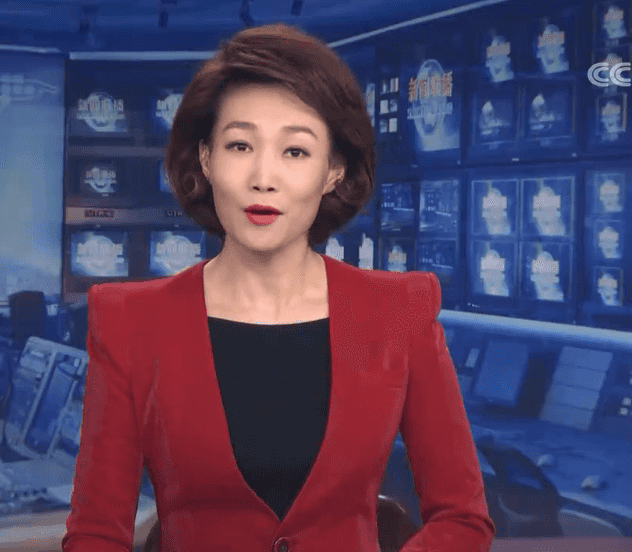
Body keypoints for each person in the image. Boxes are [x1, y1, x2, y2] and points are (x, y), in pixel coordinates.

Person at [62, 23, 494, 552]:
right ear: (206, 159)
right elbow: (95, 535)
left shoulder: (400, 310)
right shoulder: (129, 320)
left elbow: (462, 518)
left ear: (333, 170)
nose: (263, 177)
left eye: (295, 152)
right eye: (240, 145)